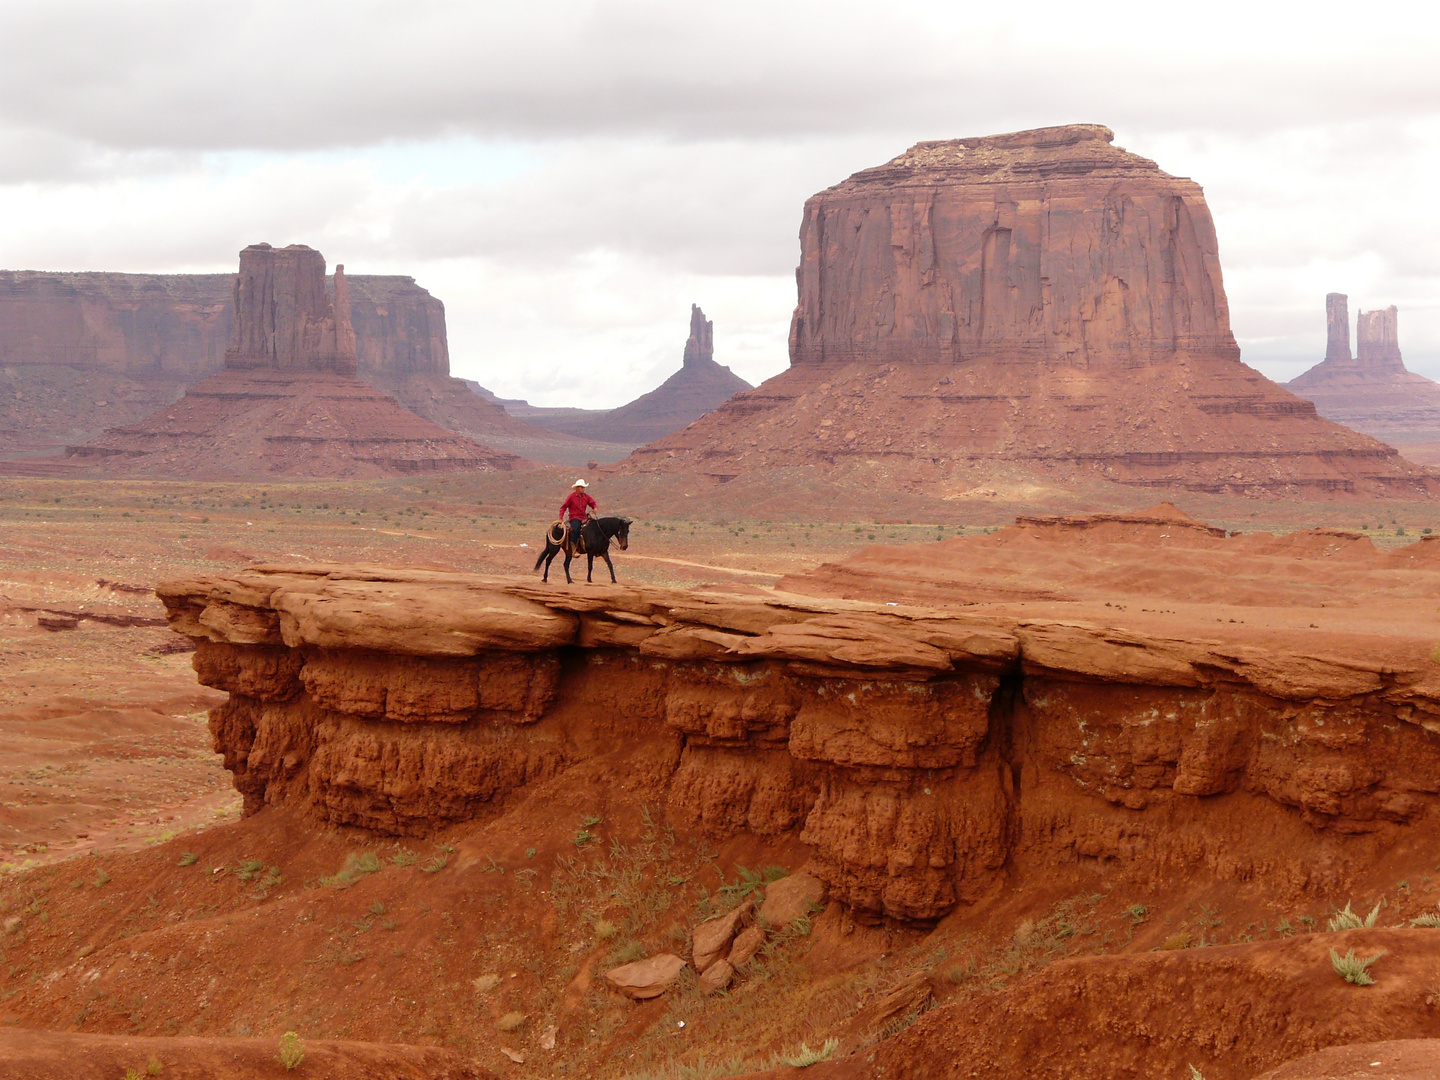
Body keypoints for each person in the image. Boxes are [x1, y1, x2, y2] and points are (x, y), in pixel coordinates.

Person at [559, 478, 597, 550]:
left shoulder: (586, 496)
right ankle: (573, 546)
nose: (583, 489)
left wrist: (595, 508)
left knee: (593, 527)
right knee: (576, 529)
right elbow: (563, 507)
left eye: (584, 487)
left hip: (584, 517)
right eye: (582, 487)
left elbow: (593, 503)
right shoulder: (571, 497)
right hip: (574, 517)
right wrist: (560, 518)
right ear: (577, 488)